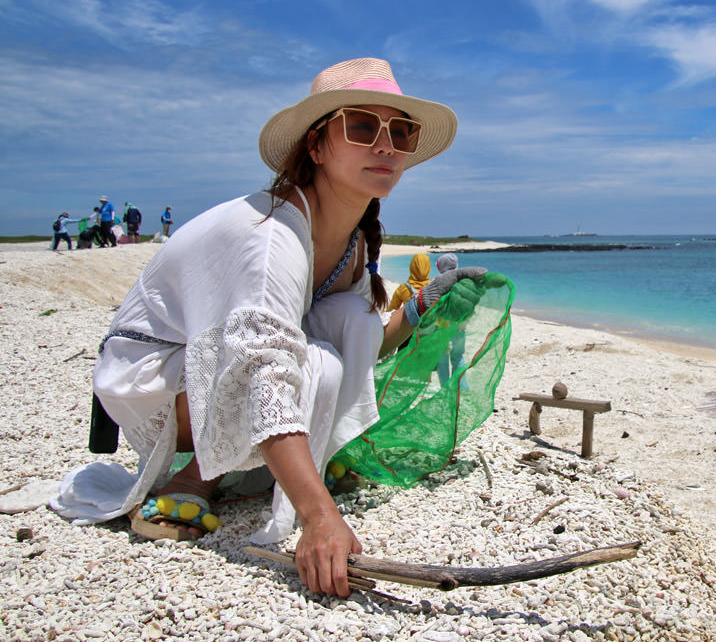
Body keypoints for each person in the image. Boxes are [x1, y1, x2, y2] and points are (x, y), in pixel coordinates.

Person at [52, 58, 487, 599]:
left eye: (401, 132)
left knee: (348, 319)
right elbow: (263, 368)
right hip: (152, 382)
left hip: (208, 374)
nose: (386, 145)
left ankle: (278, 463)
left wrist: (422, 309)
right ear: (316, 145)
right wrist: (318, 516)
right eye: (361, 126)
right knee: (312, 364)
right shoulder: (271, 233)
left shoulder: (352, 243)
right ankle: (195, 478)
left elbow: (363, 341)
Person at [433, 253, 468, 387]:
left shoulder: (437, 280)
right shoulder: (463, 281)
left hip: (442, 323)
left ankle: (445, 388)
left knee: (442, 356)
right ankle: (461, 387)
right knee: (458, 355)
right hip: (460, 322)